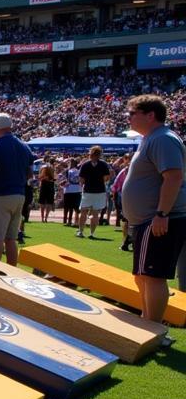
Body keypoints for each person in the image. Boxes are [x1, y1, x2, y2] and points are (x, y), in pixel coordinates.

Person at [121, 94, 186, 326]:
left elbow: (173, 177)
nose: (128, 117)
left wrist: (162, 214)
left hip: (157, 219)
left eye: (132, 113)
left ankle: (153, 328)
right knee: (142, 276)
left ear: (150, 115)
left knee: (153, 276)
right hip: (147, 220)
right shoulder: (151, 138)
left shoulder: (163, 139)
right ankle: (147, 322)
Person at [0, 113, 34, 266]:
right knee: (11, 238)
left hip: (0, 194)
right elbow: (30, 172)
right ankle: (12, 272)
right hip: (19, 194)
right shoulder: (24, 146)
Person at [76, 145, 111, 239]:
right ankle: (92, 233)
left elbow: (81, 179)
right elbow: (106, 178)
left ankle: (81, 231)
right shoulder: (103, 164)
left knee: (83, 211)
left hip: (88, 190)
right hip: (99, 191)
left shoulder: (85, 164)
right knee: (95, 214)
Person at [61, 161, 81, 226]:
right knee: (73, 207)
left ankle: (66, 221)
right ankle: (71, 221)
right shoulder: (78, 171)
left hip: (68, 190)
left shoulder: (68, 171)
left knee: (67, 206)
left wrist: (63, 183)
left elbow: (66, 180)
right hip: (77, 190)